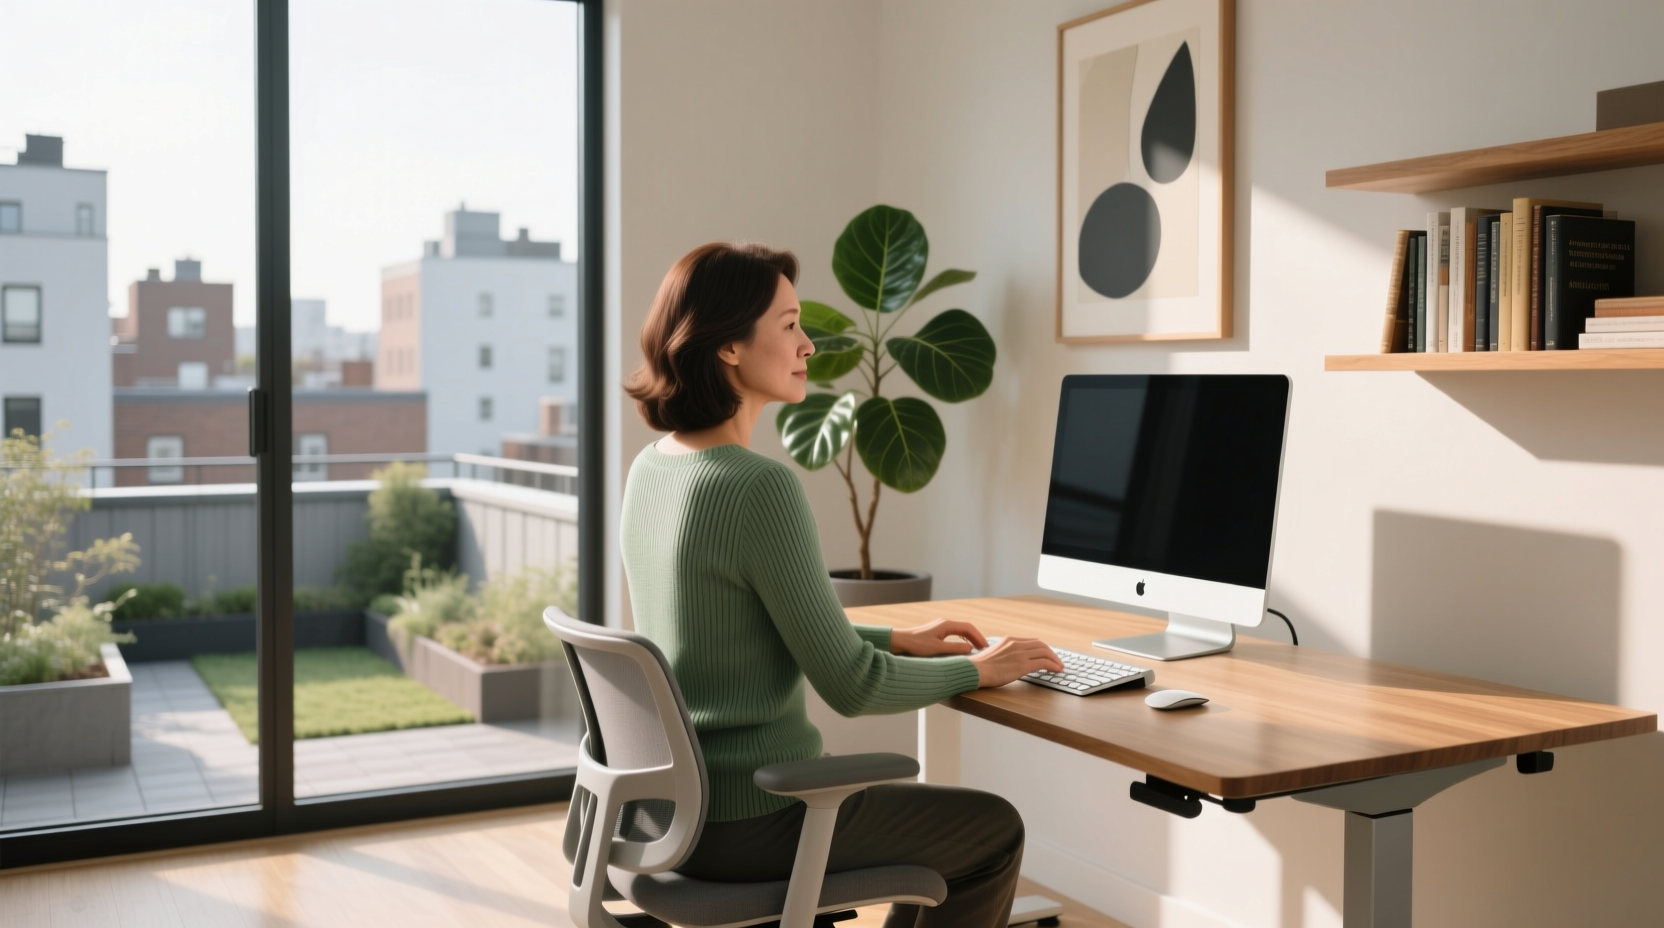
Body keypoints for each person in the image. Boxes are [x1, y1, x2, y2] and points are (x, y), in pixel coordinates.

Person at [621, 241, 1064, 928]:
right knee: (994, 830)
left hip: (672, 811)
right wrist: (982, 669)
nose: (808, 344)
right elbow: (853, 687)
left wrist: (899, 638)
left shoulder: (653, 468)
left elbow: (740, 631)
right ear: (730, 347)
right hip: (753, 817)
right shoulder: (759, 487)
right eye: (789, 324)